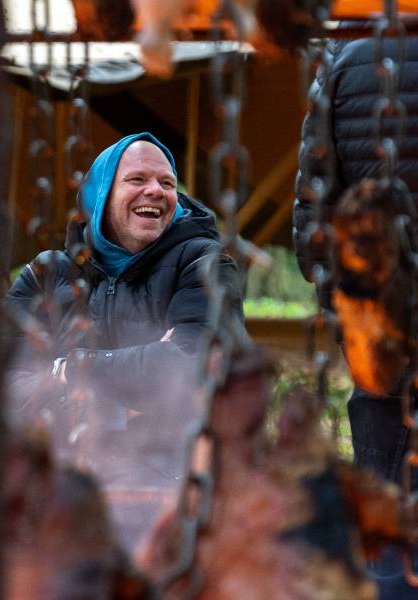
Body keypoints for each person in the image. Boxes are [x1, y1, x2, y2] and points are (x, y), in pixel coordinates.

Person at [4, 132, 244, 486]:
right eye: (137, 179)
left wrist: (66, 369)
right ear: (101, 194)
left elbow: (194, 369)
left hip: (169, 476)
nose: (156, 191)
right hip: (58, 472)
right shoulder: (47, 275)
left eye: (167, 182)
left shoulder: (203, 264)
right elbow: (4, 383)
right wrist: (125, 398)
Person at [292, 34, 418, 599]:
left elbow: (313, 225)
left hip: (381, 342)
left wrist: (351, 319)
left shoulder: (344, 64)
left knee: (387, 528)